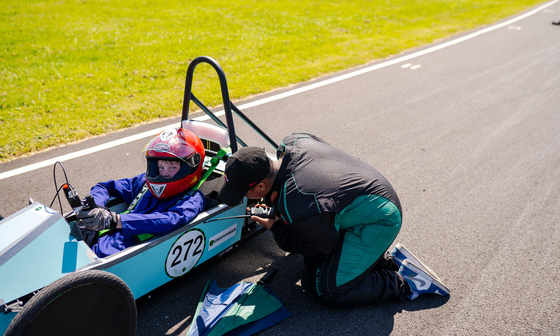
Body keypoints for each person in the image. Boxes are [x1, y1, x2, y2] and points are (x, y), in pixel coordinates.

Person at [219, 133, 449, 306]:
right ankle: (388, 261)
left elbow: (319, 249)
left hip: (380, 219)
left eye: (243, 193)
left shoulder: (298, 200)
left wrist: (278, 227)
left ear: (260, 186)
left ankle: (407, 284)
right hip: (369, 196)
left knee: (326, 288)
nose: (243, 198)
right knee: (313, 267)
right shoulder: (294, 141)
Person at [77, 127, 207, 257]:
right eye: (161, 167)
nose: (165, 173)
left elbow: (170, 220)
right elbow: (104, 187)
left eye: (172, 167)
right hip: (100, 241)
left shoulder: (193, 199)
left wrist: (116, 220)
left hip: (120, 257)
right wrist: (96, 208)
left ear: (189, 167)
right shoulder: (145, 182)